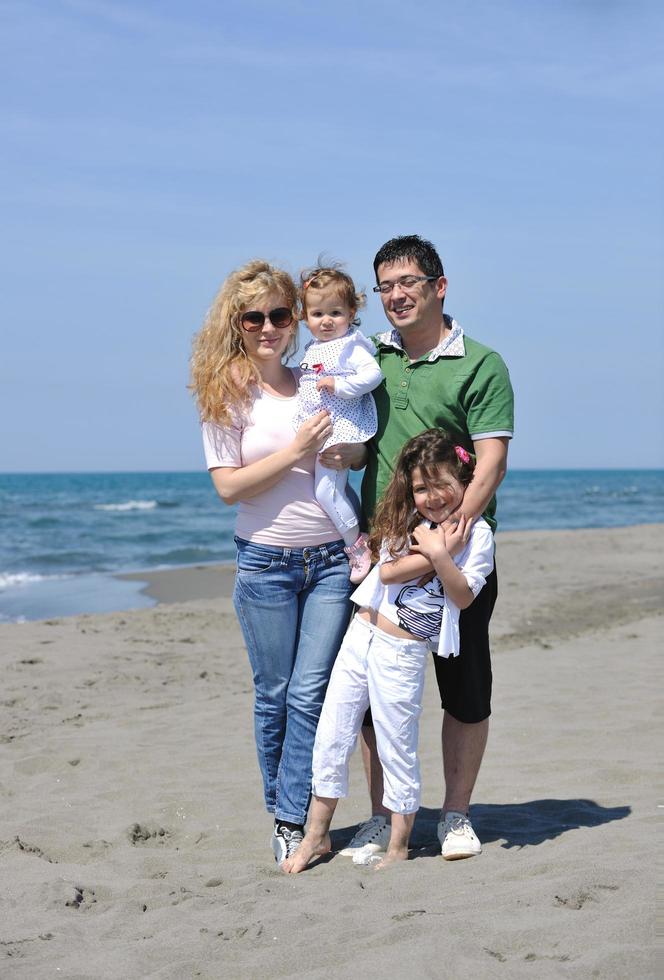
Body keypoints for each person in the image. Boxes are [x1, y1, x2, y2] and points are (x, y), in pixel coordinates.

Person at [322, 235, 514, 861]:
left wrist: (450, 538)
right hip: (387, 557)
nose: (396, 295)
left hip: (456, 555)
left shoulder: (481, 364)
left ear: (439, 286)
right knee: (379, 696)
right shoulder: (370, 359)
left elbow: (490, 465)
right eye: (385, 286)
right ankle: (384, 816)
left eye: (408, 282)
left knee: (464, 689)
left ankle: (455, 815)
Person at [190, 259, 354, 866]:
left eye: (279, 316)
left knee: (311, 692)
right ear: (236, 323)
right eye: (254, 317)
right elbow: (229, 488)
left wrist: (350, 449)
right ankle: (283, 814)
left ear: (295, 322)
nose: (268, 327)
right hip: (264, 563)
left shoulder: (315, 378)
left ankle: (297, 817)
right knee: (275, 694)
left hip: (331, 560)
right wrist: (296, 452)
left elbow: (350, 453)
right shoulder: (225, 389)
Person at [283, 429, 494, 873]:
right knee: (333, 730)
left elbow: (463, 597)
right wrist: (437, 549)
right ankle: (318, 834)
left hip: (402, 650)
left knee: (396, 743)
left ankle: (399, 844)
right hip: (361, 632)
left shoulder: (477, 535)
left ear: (464, 479)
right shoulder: (409, 523)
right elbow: (389, 572)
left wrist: (442, 553)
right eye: (421, 487)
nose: (433, 497)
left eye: (442, 485)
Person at [294, 265, 383, 583]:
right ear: (305, 317)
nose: (326, 320)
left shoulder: (351, 345)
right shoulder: (314, 348)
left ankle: (356, 545)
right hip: (322, 427)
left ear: (351, 312)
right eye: (318, 314)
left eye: (335, 312)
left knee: (326, 492)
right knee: (330, 488)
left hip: (340, 427)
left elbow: (373, 375)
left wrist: (341, 386)